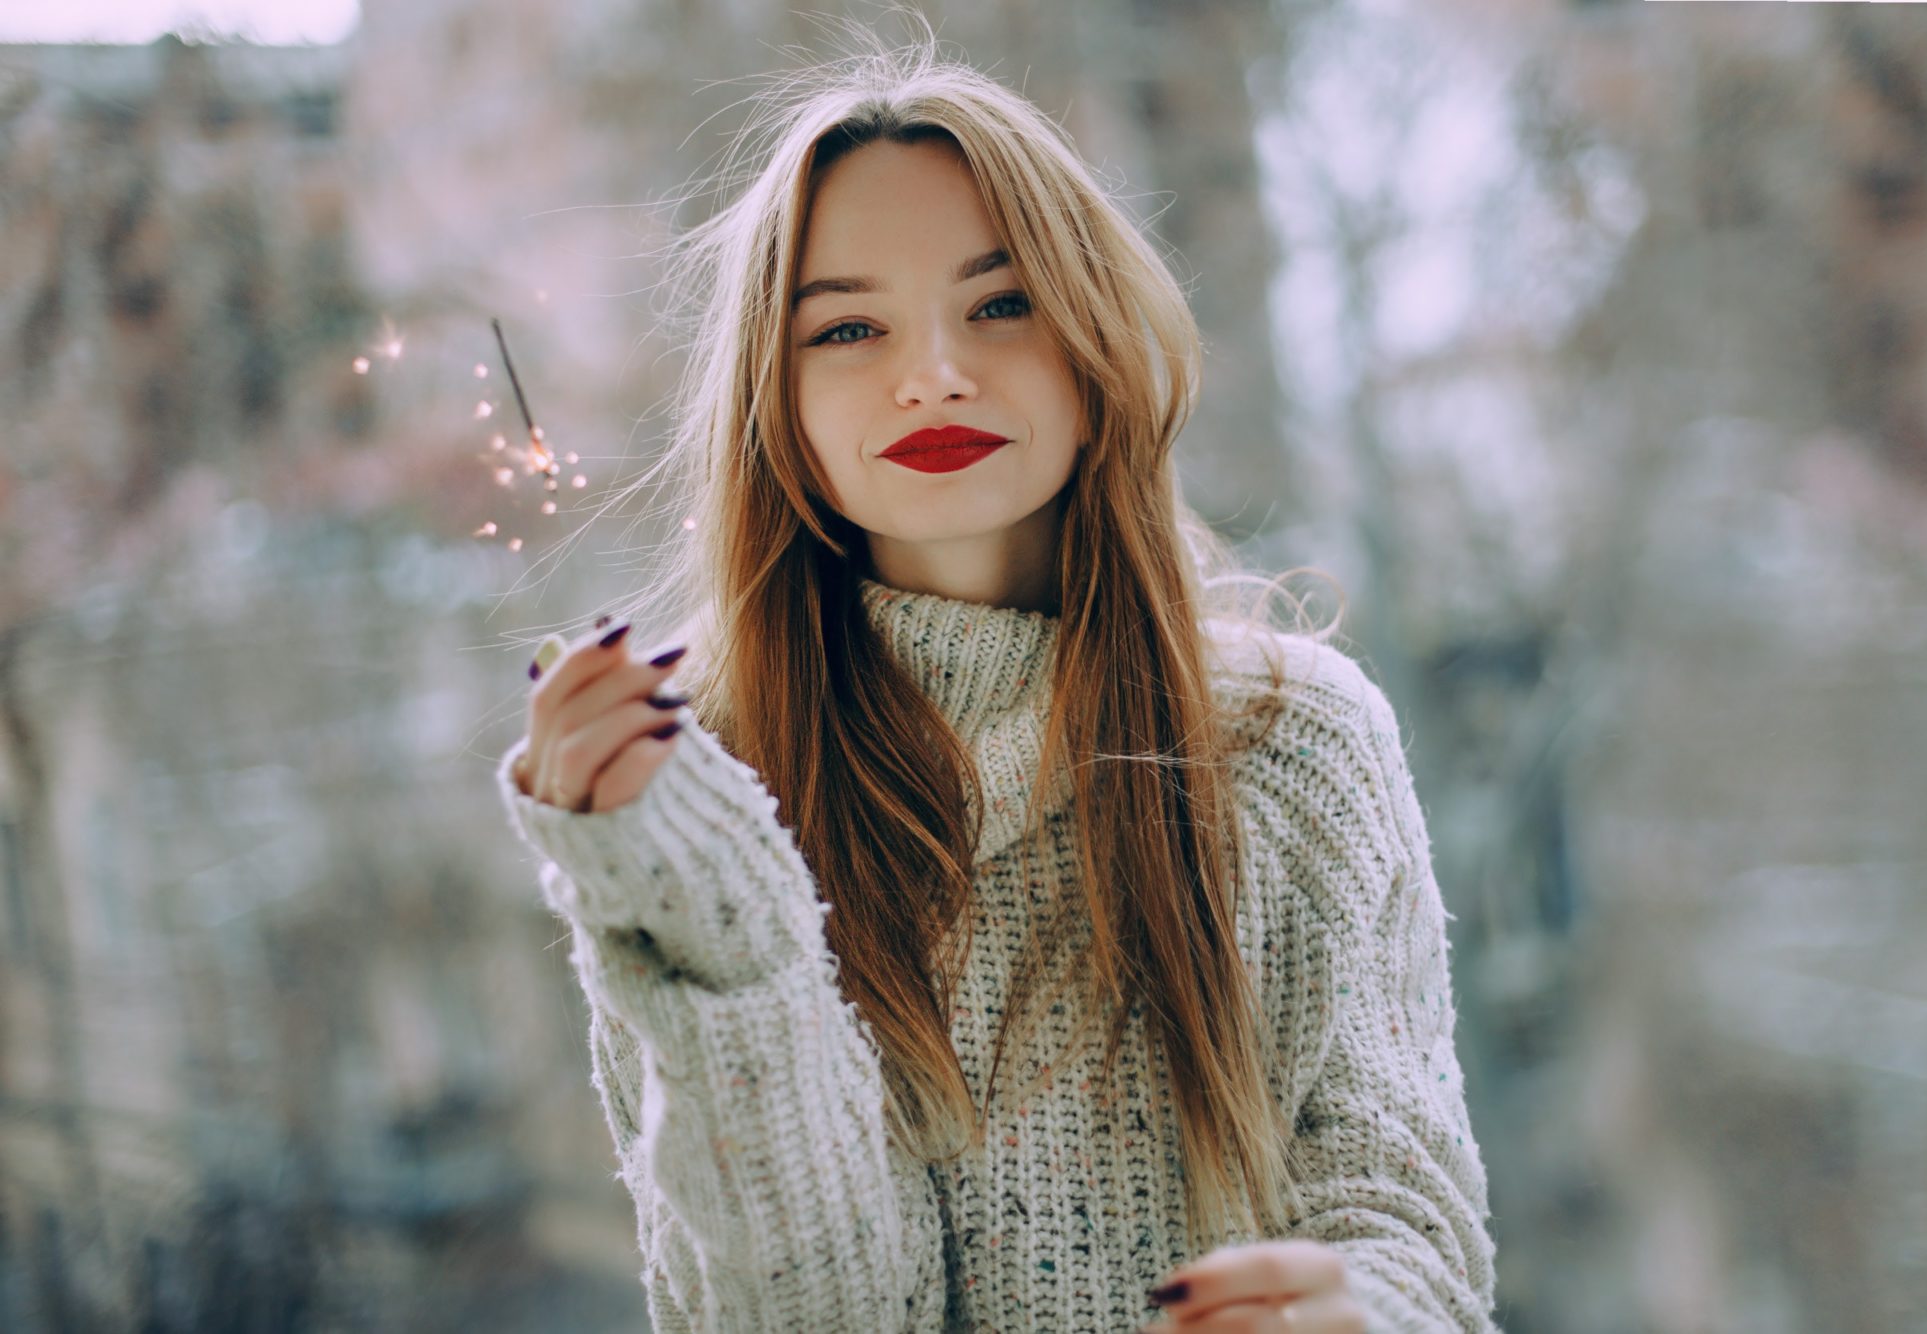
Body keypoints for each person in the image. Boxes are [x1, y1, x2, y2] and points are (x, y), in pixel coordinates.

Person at [496, 27, 1497, 1334]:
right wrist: (715, 910)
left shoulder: (1296, 742)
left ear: (1095, 337)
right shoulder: (699, 795)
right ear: (773, 404)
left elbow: (1411, 1224)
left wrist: (1356, 1315)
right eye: (848, 327)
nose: (934, 374)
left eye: (1001, 301)